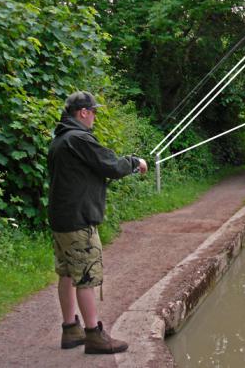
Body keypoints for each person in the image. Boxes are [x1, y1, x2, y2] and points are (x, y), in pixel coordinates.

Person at [47, 91, 148, 354]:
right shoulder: (79, 139)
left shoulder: (60, 140)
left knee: (67, 273)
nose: (94, 117)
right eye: (94, 112)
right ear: (83, 112)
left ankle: (70, 330)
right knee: (87, 277)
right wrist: (135, 162)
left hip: (61, 219)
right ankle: (94, 335)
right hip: (78, 221)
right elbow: (112, 165)